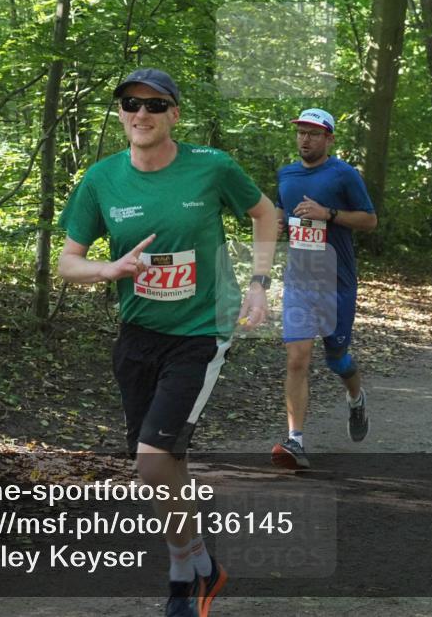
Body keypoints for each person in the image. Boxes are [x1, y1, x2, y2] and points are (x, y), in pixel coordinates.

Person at [57, 68, 278, 617]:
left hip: (201, 332)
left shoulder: (211, 167)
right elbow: (67, 262)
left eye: (155, 106)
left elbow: (265, 213)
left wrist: (257, 284)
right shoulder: (102, 179)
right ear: (121, 113)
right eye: (131, 104)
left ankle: (183, 569)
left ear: (174, 114)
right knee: (166, 460)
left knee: (151, 461)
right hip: (137, 335)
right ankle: (198, 567)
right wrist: (111, 269)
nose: (141, 114)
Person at [270, 109, 377, 471]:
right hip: (299, 281)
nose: (305, 139)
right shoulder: (285, 174)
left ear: (329, 139)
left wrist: (328, 214)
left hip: (337, 284)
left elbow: (369, 220)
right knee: (297, 358)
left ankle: (356, 396)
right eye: (301, 132)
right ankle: (295, 439)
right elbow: (279, 214)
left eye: (314, 134)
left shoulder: (344, 175)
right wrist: (280, 224)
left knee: (337, 360)